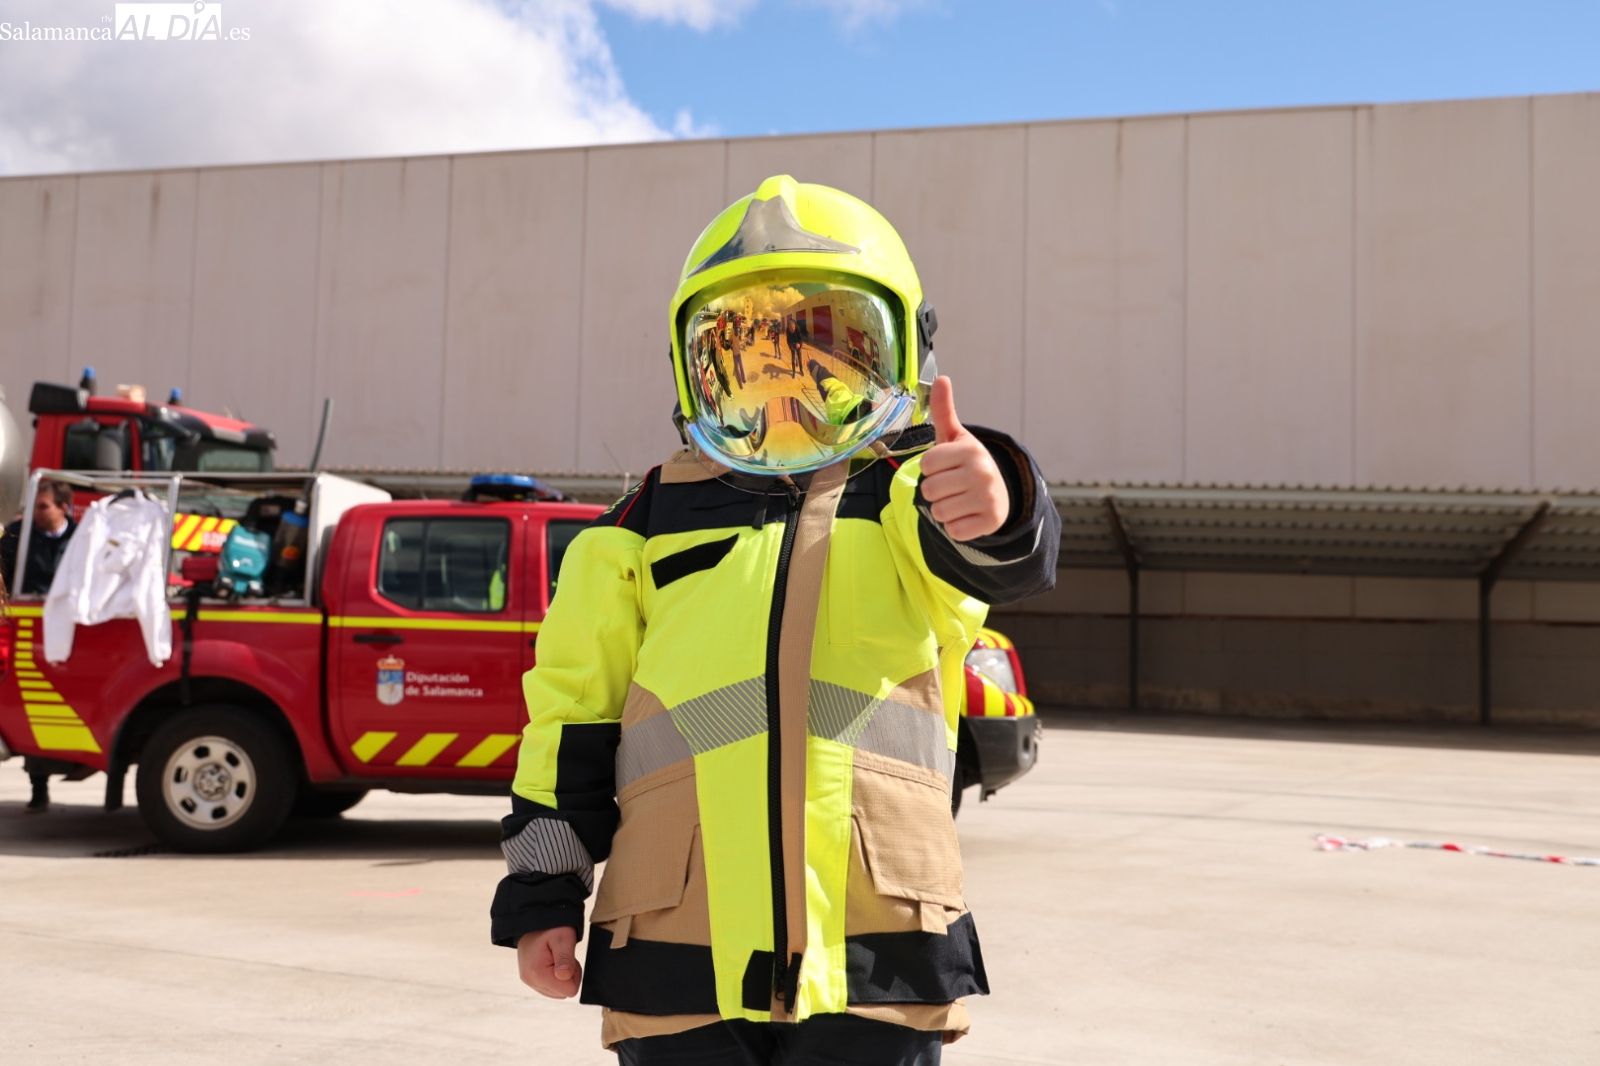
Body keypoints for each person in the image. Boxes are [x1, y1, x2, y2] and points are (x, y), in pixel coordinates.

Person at [490, 175, 1059, 1065]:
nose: (787, 385)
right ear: (695, 368)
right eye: (748, 355)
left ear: (905, 350)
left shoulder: (907, 494)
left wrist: (996, 499)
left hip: (876, 948)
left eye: (828, 349)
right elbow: (570, 722)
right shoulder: (636, 529)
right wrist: (543, 895)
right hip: (676, 948)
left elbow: (991, 561)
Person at [2, 480, 77, 812]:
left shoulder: (83, 537)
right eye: (34, 506)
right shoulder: (17, 535)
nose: (36, 513)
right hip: (30, 632)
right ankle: (38, 787)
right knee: (33, 706)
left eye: (43, 506)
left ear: (63, 508)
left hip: (70, 636)